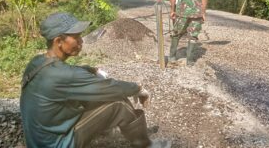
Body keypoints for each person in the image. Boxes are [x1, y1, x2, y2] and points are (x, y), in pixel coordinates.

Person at [20, 12, 168, 148]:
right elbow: (110, 87)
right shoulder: (64, 75)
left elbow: (69, 73)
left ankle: (108, 131)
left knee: (89, 99)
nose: (81, 41)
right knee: (119, 102)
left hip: (38, 140)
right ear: (59, 41)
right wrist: (138, 88)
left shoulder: (37, 62)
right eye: (76, 37)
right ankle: (146, 145)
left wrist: (91, 69)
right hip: (57, 143)